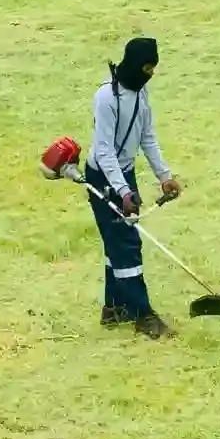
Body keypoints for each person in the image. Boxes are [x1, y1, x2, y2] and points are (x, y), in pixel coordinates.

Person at [86, 37, 182, 339]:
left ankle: (114, 309)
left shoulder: (141, 93)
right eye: (146, 68)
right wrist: (123, 191)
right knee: (126, 245)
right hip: (104, 177)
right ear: (132, 63)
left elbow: (147, 137)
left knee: (119, 242)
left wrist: (164, 176)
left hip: (124, 175)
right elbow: (104, 151)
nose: (149, 74)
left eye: (153, 69)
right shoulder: (106, 98)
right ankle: (142, 315)